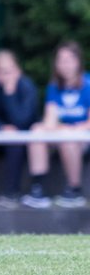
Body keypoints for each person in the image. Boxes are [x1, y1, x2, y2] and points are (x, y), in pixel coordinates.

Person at [21, 41, 90, 209]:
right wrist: (51, 127)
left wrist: (69, 129)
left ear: (78, 62)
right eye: (61, 60)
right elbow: (50, 120)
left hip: (81, 137)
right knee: (36, 131)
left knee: (68, 137)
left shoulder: (88, 84)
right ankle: (38, 188)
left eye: (68, 59)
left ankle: (74, 189)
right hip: (62, 133)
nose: (64, 65)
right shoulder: (54, 87)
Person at [0, 50, 40, 207]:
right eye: (1, 72)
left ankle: (12, 193)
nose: (6, 76)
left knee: (15, 140)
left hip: (23, 142)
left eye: (9, 71)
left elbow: (22, 121)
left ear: (18, 70)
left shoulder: (27, 87)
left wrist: (9, 94)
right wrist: (1, 128)